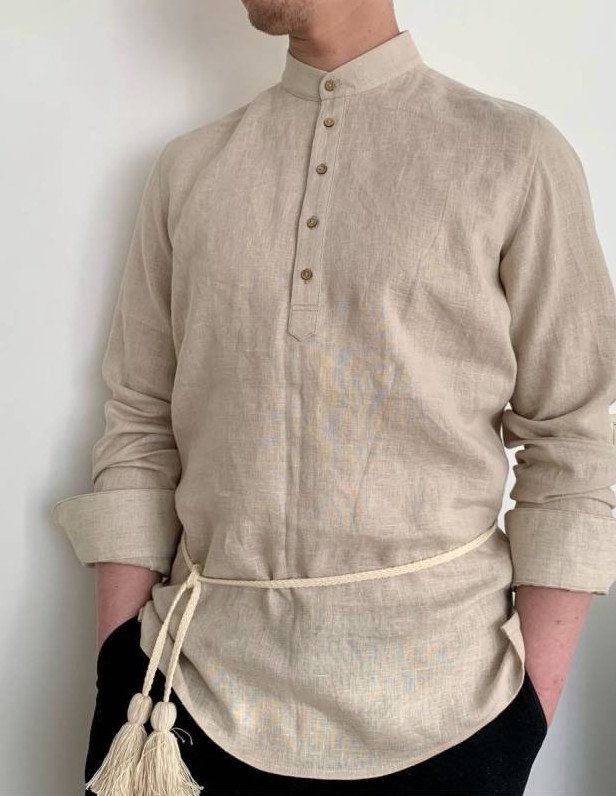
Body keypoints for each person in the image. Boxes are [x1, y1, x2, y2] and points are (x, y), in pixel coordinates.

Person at [51, 1, 616, 794]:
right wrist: (120, 668)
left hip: (452, 716)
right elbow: (141, 421)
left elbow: (573, 433)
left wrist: (526, 718)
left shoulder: (515, 156)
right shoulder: (189, 170)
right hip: (188, 707)